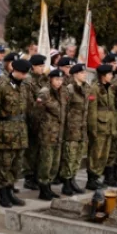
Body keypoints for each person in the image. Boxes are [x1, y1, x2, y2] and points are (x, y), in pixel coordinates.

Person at [0, 59, 30, 207]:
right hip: (6, 129)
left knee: (17, 163)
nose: (24, 76)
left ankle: (10, 190)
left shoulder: (24, 86)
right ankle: (3, 192)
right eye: (22, 73)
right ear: (15, 71)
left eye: (26, 73)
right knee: (4, 162)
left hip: (20, 129)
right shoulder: (2, 85)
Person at [58, 64, 90, 195]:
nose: (85, 75)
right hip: (71, 129)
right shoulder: (69, 89)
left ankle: (72, 180)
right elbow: (63, 110)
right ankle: (66, 183)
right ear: (75, 74)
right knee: (69, 157)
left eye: (85, 72)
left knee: (77, 157)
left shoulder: (86, 88)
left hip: (82, 128)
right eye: (82, 73)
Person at [35, 69, 67, 200]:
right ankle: (43, 188)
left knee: (55, 163)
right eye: (56, 79)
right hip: (47, 133)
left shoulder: (62, 92)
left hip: (58, 132)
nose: (59, 82)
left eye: (61, 80)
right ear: (50, 79)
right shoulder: (45, 92)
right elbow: (37, 113)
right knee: (46, 162)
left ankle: (49, 186)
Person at [22, 54, 49, 190]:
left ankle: (37, 175)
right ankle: (29, 177)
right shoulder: (28, 80)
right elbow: (29, 102)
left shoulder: (44, 79)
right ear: (33, 67)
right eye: (40, 66)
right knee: (31, 151)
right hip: (31, 119)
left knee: (39, 149)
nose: (42, 68)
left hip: (43, 120)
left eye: (43, 66)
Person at [87, 64, 115, 189]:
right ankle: (91, 179)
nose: (111, 76)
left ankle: (97, 176)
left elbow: (111, 108)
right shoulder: (95, 89)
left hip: (108, 126)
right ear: (103, 76)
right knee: (96, 154)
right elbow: (92, 111)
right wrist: (93, 129)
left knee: (104, 154)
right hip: (99, 126)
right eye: (109, 74)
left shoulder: (109, 88)